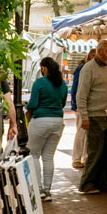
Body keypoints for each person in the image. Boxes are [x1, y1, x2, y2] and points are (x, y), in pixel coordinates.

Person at [74, 41, 107, 194]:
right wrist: (85, 117)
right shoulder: (89, 68)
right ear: (99, 52)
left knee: (106, 152)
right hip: (95, 116)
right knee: (95, 151)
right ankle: (86, 184)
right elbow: (81, 95)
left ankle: (101, 182)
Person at [25, 57, 68, 201]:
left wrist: (27, 108)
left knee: (35, 154)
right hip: (57, 122)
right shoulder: (62, 84)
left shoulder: (40, 83)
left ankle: (38, 190)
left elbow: (33, 104)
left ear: (43, 68)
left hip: (40, 120)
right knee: (49, 157)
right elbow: (62, 104)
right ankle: (48, 190)